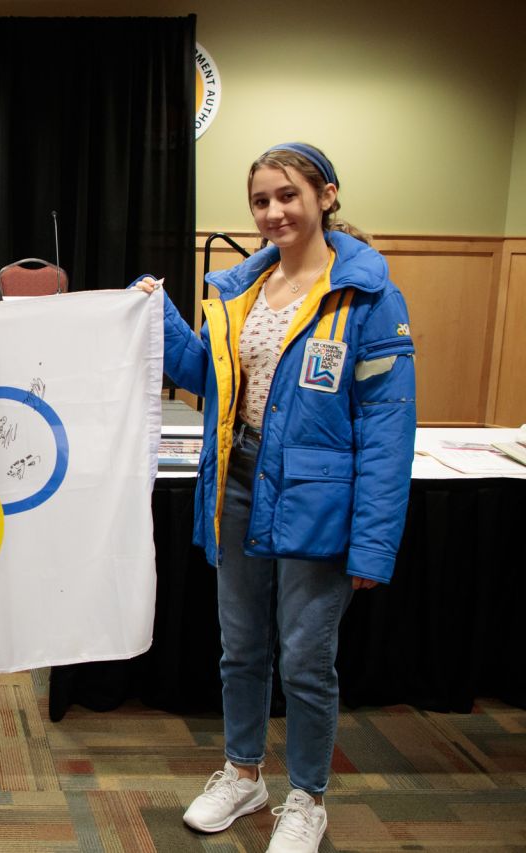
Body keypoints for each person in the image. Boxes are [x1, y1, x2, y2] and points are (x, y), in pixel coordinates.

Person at [135, 142, 416, 852]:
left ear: (326, 196)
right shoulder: (239, 289)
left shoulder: (368, 296)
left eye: (288, 195)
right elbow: (206, 374)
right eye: (261, 200)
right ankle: (243, 771)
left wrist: (373, 542)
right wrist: (159, 316)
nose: (273, 212)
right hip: (237, 480)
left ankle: (307, 796)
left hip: (319, 496)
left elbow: (388, 426)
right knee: (241, 648)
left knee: (306, 658)